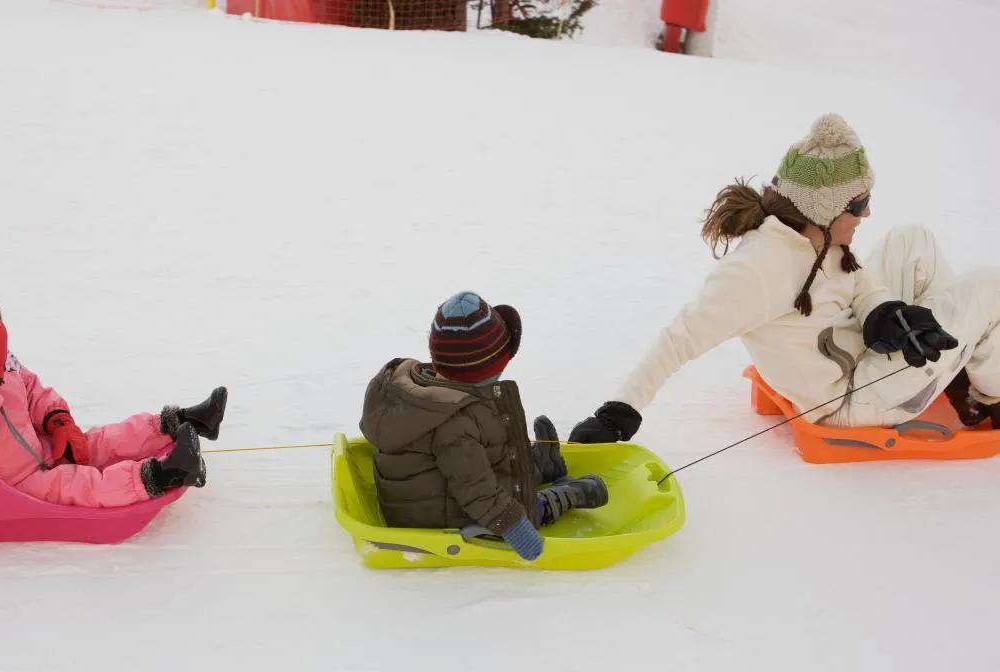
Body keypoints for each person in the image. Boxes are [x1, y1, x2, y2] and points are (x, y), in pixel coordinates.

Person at [571, 113, 1000, 444]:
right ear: (823, 208)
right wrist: (619, 411)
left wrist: (886, 314)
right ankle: (990, 395)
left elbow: (860, 282)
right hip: (849, 399)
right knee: (989, 284)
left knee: (913, 239)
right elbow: (680, 337)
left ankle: (957, 362)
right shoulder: (758, 270)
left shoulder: (817, 236)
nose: (866, 213)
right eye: (858, 203)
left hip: (860, 355)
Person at [0, 257, 227, 506]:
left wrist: (57, 420)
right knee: (81, 485)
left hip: (39, 446)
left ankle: (185, 422)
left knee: (100, 441)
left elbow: (31, 389)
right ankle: (164, 474)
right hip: (11, 484)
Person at [360, 291, 608, 562]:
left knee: (482, 455)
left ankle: (535, 466)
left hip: (419, 498)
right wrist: (514, 526)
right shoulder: (454, 419)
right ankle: (558, 497)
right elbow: (476, 489)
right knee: (522, 508)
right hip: (441, 517)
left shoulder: (426, 390)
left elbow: (471, 464)